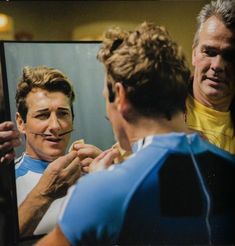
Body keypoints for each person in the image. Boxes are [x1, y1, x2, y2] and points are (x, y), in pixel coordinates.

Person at [37, 22, 235, 246]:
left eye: (105, 96)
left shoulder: (99, 191)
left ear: (119, 96)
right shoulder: (228, 167)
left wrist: (101, 185)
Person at [14, 66, 100, 236]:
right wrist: (44, 193)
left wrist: (112, 177)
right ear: (21, 123)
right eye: (42, 115)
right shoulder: (8, 180)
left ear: (72, 120)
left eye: (62, 114)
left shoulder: (95, 171)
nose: (55, 126)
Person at [186, 0, 235, 154]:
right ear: (194, 54)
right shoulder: (160, 113)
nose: (218, 65)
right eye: (210, 52)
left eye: (230, 56)